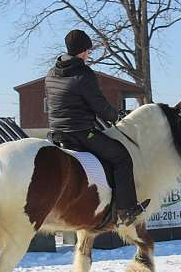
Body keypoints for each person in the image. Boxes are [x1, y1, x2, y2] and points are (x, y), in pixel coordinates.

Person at [45, 29, 149, 227]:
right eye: (87, 50)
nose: (88, 54)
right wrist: (117, 117)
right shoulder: (84, 74)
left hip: (56, 133)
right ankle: (126, 210)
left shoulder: (51, 73)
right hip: (81, 133)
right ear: (82, 51)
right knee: (121, 156)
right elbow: (98, 104)